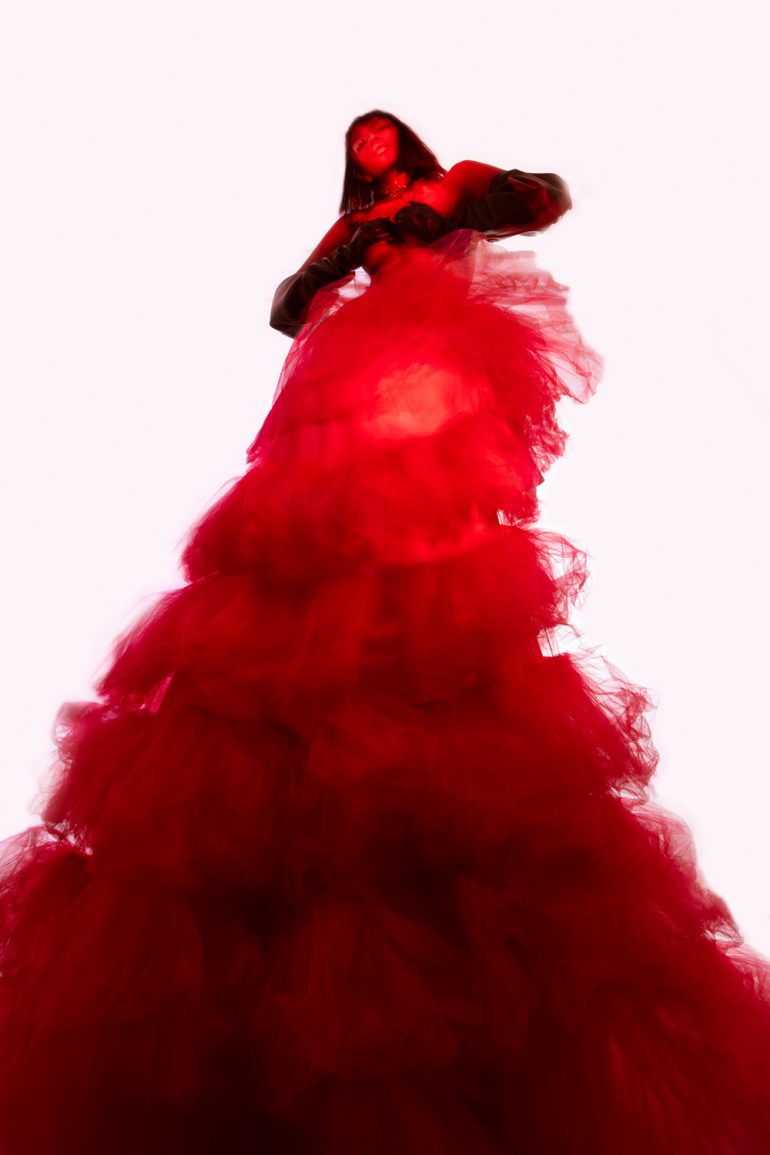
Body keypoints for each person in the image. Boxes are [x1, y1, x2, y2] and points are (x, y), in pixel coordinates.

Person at [0, 109, 769, 1155]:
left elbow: (538, 197)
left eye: (378, 130)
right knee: (322, 514)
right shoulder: (350, 226)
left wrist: (484, 206)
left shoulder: (450, 183)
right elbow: (288, 306)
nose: (366, 142)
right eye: (353, 137)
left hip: (429, 355)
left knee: (425, 517)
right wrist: (326, 272)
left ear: (404, 139)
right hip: (350, 369)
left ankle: (411, 614)